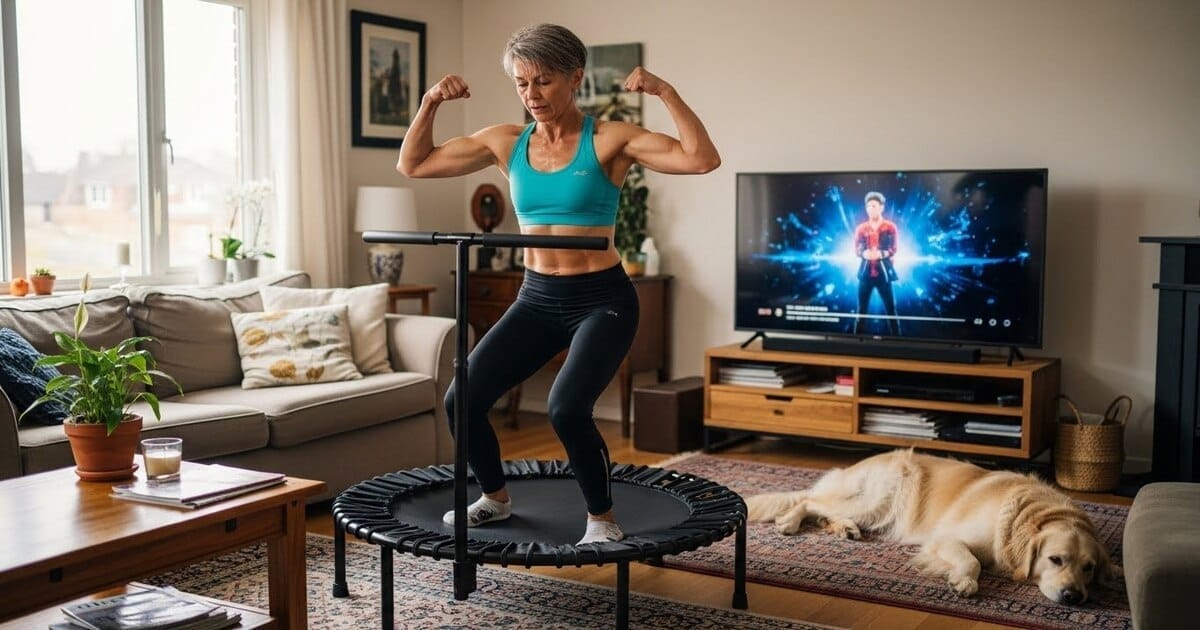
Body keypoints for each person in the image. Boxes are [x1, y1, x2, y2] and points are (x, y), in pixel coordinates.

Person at [397, 24, 719, 545]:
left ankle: (602, 520)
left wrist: (664, 92)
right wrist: (432, 100)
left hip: (603, 299)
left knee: (566, 407)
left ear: (575, 78)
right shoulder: (506, 142)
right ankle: (495, 499)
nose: (532, 95)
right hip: (537, 297)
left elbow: (701, 159)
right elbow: (413, 164)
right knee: (463, 398)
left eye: (543, 82)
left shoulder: (610, 139)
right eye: (522, 84)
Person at [853, 191, 901, 336]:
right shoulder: (861, 228)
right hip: (865, 274)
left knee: (891, 309)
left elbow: (894, 248)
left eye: (873, 206)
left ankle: (898, 341)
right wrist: (863, 253)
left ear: (881, 207)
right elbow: (857, 248)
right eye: (868, 206)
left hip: (884, 274)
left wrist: (882, 254)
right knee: (861, 310)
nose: (870, 209)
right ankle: (855, 342)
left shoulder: (890, 227)